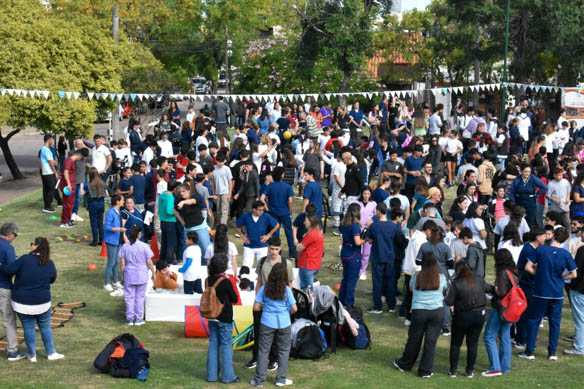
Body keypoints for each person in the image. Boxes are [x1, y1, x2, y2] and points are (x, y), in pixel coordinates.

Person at [1, 237, 63, 362]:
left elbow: (9, 270)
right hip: (42, 303)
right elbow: (52, 279)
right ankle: (51, 353)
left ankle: (32, 355)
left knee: (28, 328)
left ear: (36, 246)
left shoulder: (24, 259)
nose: (30, 245)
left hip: (22, 303)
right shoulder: (49, 262)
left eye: (32, 243)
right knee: (45, 327)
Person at [520, 227, 577, 361]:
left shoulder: (540, 250)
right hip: (557, 293)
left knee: (534, 320)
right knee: (555, 323)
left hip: (541, 291)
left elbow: (528, 267)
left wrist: (538, 275)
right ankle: (552, 352)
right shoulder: (565, 254)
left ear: (553, 236)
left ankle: (530, 351)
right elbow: (574, 274)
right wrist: (561, 278)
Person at [245, 236, 295, 371]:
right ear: (268, 248)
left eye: (276, 249)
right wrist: (257, 300)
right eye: (271, 249)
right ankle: (256, 357)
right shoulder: (262, 262)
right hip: (264, 300)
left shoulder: (286, 263)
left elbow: (290, 284)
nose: (273, 252)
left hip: (279, 303)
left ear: (280, 248)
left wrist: (288, 303)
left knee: (276, 333)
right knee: (258, 331)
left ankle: (273, 360)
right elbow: (259, 282)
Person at [394, 252, 447, 378]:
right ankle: (425, 370)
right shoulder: (442, 277)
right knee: (431, 342)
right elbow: (445, 289)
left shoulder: (416, 276)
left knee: (414, 339)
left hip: (419, 311)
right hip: (436, 311)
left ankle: (405, 364)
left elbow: (411, 289)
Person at [251, 263, 297, 387]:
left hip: (267, 322)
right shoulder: (287, 289)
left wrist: (265, 308)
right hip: (284, 323)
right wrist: (285, 310)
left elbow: (256, 307)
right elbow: (294, 308)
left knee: (263, 351)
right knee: (283, 351)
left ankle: (259, 380)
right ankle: (281, 379)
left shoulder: (264, 289)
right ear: (284, 276)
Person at [444, 261, 487, 378]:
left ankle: (453, 371)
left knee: (456, 344)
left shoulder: (457, 283)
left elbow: (448, 302)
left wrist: (445, 294)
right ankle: (469, 371)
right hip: (479, 315)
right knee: (472, 344)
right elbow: (490, 289)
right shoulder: (479, 279)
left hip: (462, 316)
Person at [482, 249, 518, 377]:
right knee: (505, 336)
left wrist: (489, 288)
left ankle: (495, 367)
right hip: (510, 310)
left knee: (489, 336)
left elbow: (501, 293)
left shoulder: (503, 273)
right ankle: (504, 366)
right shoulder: (513, 272)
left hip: (500, 309)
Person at [366, 202, 407, 313]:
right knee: (390, 281)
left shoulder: (374, 226)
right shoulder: (393, 226)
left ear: (378, 211)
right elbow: (401, 241)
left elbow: (368, 239)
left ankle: (377, 306)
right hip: (390, 257)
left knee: (377, 282)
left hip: (377, 257)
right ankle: (391, 305)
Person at [206, 254, 239, 384]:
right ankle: (228, 377)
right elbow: (235, 299)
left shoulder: (208, 280)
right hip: (224, 317)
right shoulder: (225, 281)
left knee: (213, 344)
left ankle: (211, 376)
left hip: (211, 315)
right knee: (226, 346)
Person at [416, 220, 454, 335]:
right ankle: (446, 327)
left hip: (427, 275)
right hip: (442, 275)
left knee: (428, 300)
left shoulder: (424, 246)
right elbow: (451, 263)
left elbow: (418, 261)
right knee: (444, 302)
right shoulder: (445, 247)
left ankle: (428, 325)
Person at [515, 227, 546, 349]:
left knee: (527, 312)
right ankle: (521, 339)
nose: (546, 238)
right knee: (527, 313)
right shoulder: (530, 250)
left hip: (527, 284)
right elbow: (529, 267)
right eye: (544, 235)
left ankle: (522, 338)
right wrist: (538, 274)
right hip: (527, 285)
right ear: (537, 237)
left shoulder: (530, 247)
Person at [119, 225, 155, 326]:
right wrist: (153, 273)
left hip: (129, 274)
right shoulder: (144, 246)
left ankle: (129, 319)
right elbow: (149, 262)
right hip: (142, 274)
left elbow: (122, 263)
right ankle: (138, 318)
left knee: (129, 297)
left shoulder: (125, 246)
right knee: (139, 297)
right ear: (139, 234)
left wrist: (122, 275)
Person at [0, 222, 25, 361]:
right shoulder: (8, 248)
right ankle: (12, 351)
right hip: (3, 286)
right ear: (10, 234)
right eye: (14, 235)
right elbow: (11, 269)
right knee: (9, 320)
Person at [235, 201, 280, 268]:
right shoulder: (245, 216)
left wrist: (268, 235)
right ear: (254, 209)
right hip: (249, 246)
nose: (262, 211)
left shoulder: (266, 216)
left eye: (263, 209)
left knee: (262, 268)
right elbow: (237, 226)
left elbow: (277, 225)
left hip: (262, 246)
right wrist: (242, 236)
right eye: (260, 210)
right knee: (246, 268)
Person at [338, 203, 366, 307]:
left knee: (345, 277)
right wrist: (366, 239)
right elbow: (358, 242)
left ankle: (341, 300)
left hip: (345, 253)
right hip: (353, 254)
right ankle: (349, 303)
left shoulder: (343, 224)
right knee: (352, 279)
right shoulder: (354, 226)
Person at [265, 167, 295, 258]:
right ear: (282, 175)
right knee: (289, 233)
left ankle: (278, 252)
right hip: (285, 212)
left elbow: (265, 199)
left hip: (273, 213)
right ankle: (292, 253)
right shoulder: (288, 187)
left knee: (275, 234)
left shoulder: (270, 186)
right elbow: (290, 200)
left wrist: (268, 209)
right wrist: (289, 211)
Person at [509, 163, 548, 228]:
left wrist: (537, 193)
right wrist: (513, 202)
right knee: (519, 221)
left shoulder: (533, 178)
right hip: (519, 202)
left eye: (529, 172)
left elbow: (544, 187)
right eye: (525, 171)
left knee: (530, 221)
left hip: (530, 202)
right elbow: (512, 192)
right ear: (521, 171)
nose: (527, 173)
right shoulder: (517, 179)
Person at [59, 148, 89, 228]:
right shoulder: (69, 161)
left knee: (71, 204)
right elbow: (65, 172)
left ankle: (68, 220)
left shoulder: (72, 161)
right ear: (79, 155)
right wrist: (68, 184)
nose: (81, 159)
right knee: (67, 204)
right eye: (81, 157)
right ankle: (64, 222)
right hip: (68, 186)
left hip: (72, 185)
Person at [104, 194, 126, 293]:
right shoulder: (110, 212)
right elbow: (107, 227)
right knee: (111, 262)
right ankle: (106, 283)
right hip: (112, 240)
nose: (123, 202)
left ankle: (115, 281)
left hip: (118, 240)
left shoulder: (119, 212)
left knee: (117, 261)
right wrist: (119, 229)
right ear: (117, 201)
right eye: (122, 200)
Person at [295, 213, 324, 290]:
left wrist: (297, 244)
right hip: (314, 264)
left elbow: (299, 248)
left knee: (307, 291)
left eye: (306, 221)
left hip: (308, 265)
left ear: (311, 222)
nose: (304, 222)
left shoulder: (311, 235)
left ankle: (309, 302)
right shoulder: (317, 233)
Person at [566, 241, 584, 356]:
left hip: (580, 289)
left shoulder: (582, 250)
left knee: (580, 320)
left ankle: (580, 348)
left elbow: (576, 271)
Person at [212, 153, 233, 227]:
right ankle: (219, 225)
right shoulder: (213, 168)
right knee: (218, 210)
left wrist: (230, 193)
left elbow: (230, 181)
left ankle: (223, 227)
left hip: (225, 192)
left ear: (224, 161)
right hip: (217, 193)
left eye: (222, 162)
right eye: (219, 161)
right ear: (216, 161)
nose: (220, 163)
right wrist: (214, 193)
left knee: (224, 211)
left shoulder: (227, 169)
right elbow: (213, 183)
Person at [87, 167, 107, 247]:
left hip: (93, 204)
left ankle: (95, 241)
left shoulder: (89, 184)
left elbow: (84, 192)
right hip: (101, 204)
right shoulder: (102, 182)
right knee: (100, 223)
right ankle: (101, 240)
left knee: (94, 223)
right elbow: (108, 190)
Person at [40, 135, 59, 213]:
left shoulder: (43, 149)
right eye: (52, 140)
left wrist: (53, 162)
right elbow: (51, 163)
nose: (53, 141)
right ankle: (47, 206)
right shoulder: (46, 150)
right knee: (52, 188)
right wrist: (56, 173)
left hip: (45, 172)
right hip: (49, 172)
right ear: (49, 140)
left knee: (47, 189)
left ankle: (47, 205)